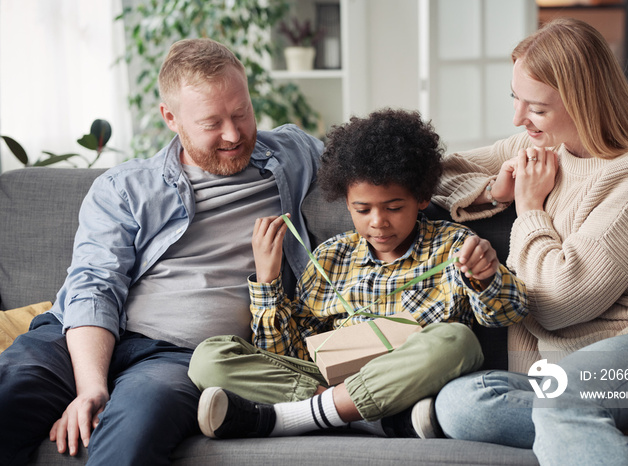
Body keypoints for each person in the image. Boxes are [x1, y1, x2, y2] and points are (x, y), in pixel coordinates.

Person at [0, 38, 322, 466]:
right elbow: (94, 288)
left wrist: (445, 194)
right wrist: (91, 386)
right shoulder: (125, 187)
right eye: (212, 123)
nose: (233, 134)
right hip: (71, 339)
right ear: (170, 117)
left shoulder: (292, 154)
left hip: (180, 358)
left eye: (242, 113)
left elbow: (389, 162)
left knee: (131, 437)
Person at [429, 18, 628, 465]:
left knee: (565, 396)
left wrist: (530, 205)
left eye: (536, 108)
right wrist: (495, 191)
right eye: (515, 98)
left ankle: (588, 413)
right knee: (460, 404)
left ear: (583, 101)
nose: (518, 118)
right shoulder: (540, 147)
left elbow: (558, 303)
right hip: (562, 371)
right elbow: (436, 174)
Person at [187, 108, 529, 440]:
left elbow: (508, 312)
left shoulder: (454, 245)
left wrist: (485, 277)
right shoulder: (331, 257)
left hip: (410, 380)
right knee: (208, 358)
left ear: (422, 198)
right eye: (362, 209)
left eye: (394, 208)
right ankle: (367, 419)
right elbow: (289, 354)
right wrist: (267, 280)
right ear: (346, 202)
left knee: (458, 340)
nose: (378, 222)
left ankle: (305, 416)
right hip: (332, 380)